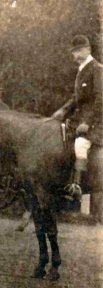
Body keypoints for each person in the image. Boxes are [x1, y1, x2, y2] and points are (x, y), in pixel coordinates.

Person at [51, 35, 103, 198]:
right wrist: (62, 111)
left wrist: (87, 122)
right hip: (78, 119)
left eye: (79, 50)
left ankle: (77, 185)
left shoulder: (97, 69)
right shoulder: (81, 70)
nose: (76, 55)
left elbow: (101, 98)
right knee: (60, 138)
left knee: (80, 144)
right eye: (73, 52)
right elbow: (76, 97)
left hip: (96, 120)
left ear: (88, 49)